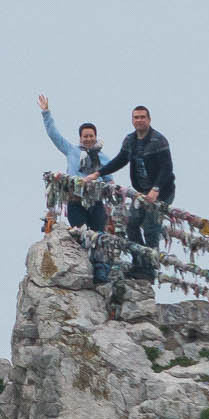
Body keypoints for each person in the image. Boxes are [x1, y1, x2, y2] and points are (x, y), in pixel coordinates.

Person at [37, 95, 112, 283]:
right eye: (85, 136)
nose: (88, 139)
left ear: (95, 137)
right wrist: (46, 113)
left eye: (91, 136)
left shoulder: (104, 158)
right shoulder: (72, 151)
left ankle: (101, 271)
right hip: (75, 201)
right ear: (80, 138)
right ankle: (82, 268)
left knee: (99, 236)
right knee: (80, 232)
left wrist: (112, 201)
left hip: (96, 202)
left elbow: (110, 181)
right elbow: (54, 135)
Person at [99, 104, 176, 282]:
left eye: (142, 117)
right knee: (131, 225)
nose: (139, 120)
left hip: (162, 191)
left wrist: (156, 189)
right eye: (136, 117)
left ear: (149, 119)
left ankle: (150, 270)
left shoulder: (158, 140)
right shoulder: (130, 140)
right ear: (132, 120)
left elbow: (166, 168)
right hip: (141, 192)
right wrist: (99, 173)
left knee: (150, 228)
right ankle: (139, 263)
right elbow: (120, 160)